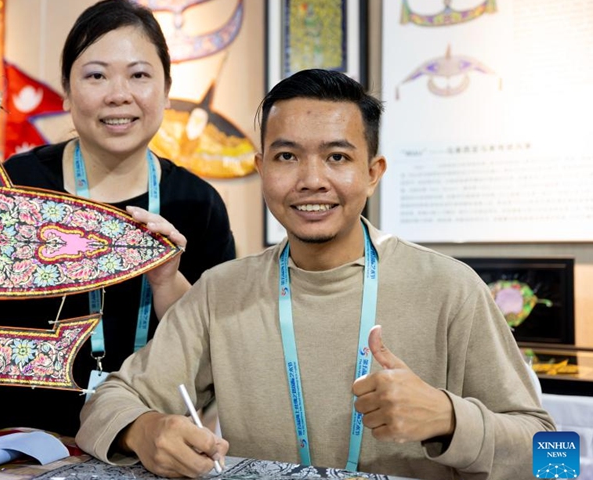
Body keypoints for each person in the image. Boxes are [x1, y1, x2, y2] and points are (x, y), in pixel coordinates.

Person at [76, 69, 554, 479]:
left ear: (373, 171)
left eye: (337, 157)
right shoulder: (222, 291)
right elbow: (108, 401)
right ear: (262, 169)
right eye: (287, 157)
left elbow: (555, 457)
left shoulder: (449, 288)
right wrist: (144, 430)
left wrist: (449, 419)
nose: (311, 179)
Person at [0, 0, 235, 437]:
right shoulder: (9, 185)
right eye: (96, 75)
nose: (119, 94)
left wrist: (166, 283)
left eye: (139, 74)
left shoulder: (197, 203)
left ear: (166, 88)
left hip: (137, 439)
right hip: (0, 435)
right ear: (66, 90)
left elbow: (218, 351)